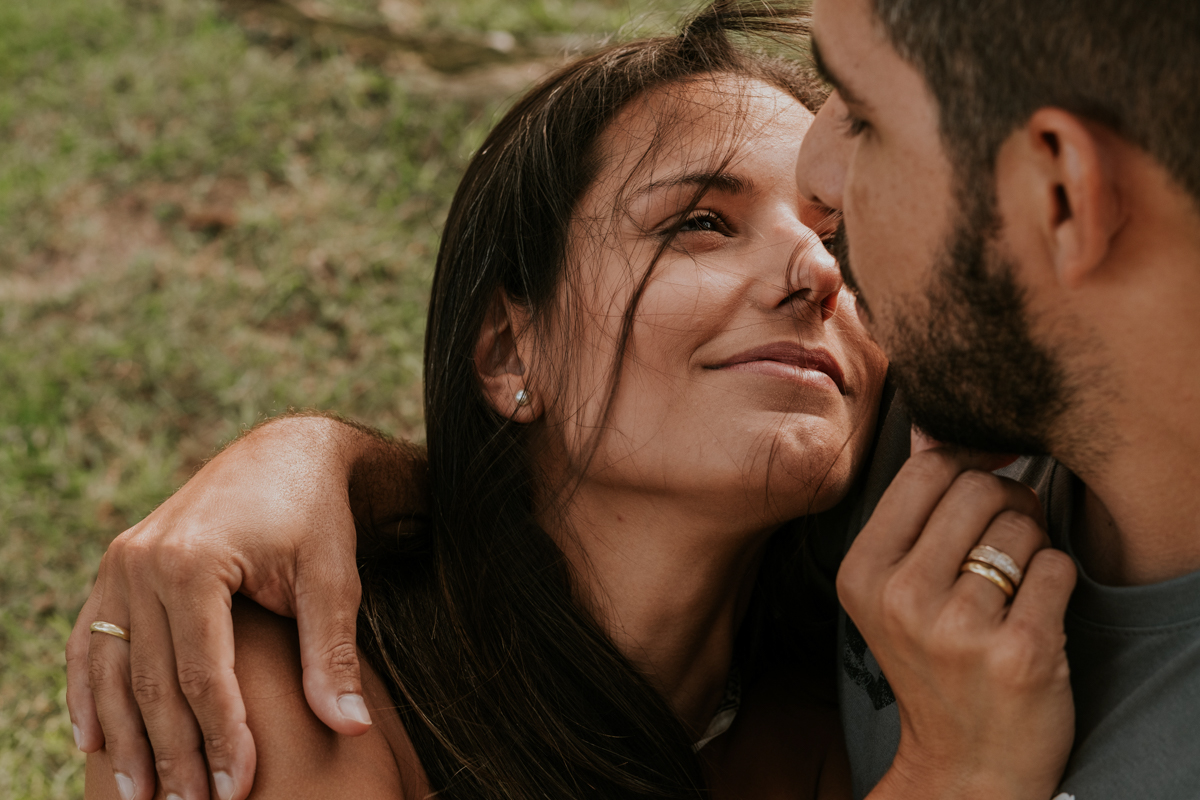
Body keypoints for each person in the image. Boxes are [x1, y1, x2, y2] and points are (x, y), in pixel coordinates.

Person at [70, 3, 1077, 800]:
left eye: (841, 241)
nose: (815, 272)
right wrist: (957, 778)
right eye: (699, 222)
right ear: (514, 349)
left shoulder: (821, 739)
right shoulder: (295, 683)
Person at [788, 0, 1200, 797]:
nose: (814, 181)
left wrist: (951, 778)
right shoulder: (923, 396)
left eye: (864, 118)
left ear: (1062, 195)